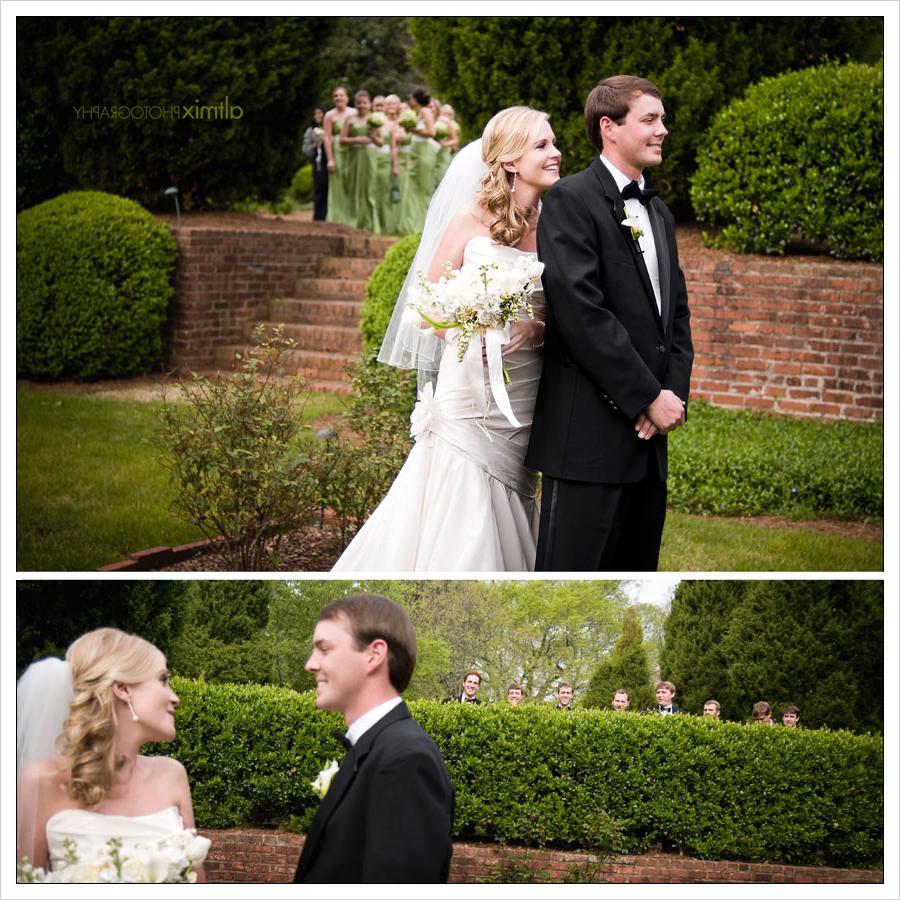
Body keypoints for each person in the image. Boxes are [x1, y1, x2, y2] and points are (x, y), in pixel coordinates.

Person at [332, 106, 557, 571]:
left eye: (553, 144)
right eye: (542, 145)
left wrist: (537, 329)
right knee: (465, 489)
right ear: (511, 160)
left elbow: (569, 309)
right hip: (470, 389)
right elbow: (423, 305)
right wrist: (473, 321)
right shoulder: (472, 217)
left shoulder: (558, 221)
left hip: (531, 386)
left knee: (516, 487)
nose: (556, 153)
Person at [526, 75, 694, 571]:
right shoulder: (570, 201)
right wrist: (646, 396)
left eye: (662, 119)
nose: (663, 129)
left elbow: (676, 316)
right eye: (650, 119)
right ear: (609, 127)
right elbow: (580, 313)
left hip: (648, 447)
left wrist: (671, 395)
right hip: (586, 442)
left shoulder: (660, 213)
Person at [16, 628, 207, 881]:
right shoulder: (43, 779)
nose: (175, 698)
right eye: (162, 679)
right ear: (123, 689)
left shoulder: (173, 774)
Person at [294, 594, 454, 883]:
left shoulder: (406, 760)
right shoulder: (375, 748)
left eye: (324, 649)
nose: (310, 664)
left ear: (374, 654)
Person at [323, 85, 356, 226]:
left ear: (347, 98)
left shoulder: (354, 112)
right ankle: (336, 217)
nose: (339, 98)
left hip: (353, 152)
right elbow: (327, 137)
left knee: (352, 183)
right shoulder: (330, 115)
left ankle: (352, 218)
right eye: (336, 96)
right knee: (337, 184)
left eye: (341, 95)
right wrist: (330, 159)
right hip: (337, 151)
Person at [302, 106, 329, 221]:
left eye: (320, 113)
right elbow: (306, 150)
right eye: (315, 114)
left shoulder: (330, 128)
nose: (318, 116)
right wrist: (315, 144)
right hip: (318, 164)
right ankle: (319, 217)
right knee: (320, 189)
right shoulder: (310, 131)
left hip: (330, 161)